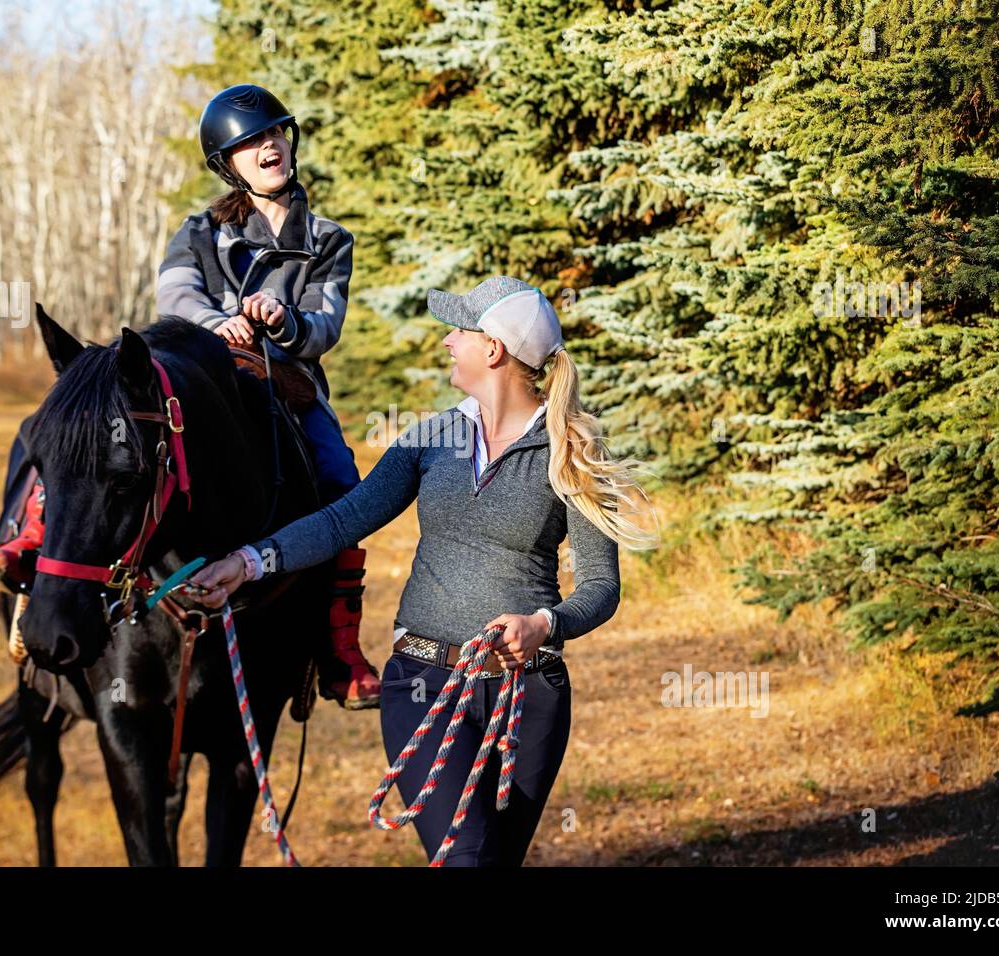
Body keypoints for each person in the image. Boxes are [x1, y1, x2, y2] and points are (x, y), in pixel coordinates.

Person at [187, 275, 660, 865]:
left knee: (491, 861)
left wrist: (544, 623)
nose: (447, 342)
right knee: (465, 857)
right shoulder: (431, 438)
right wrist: (249, 561)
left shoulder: (572, 450)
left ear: (493, 350)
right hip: (423, 682)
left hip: (529, 694)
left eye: (459, 330)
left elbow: (600, 587)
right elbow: (343, 520)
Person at [0, 83, 381, 709]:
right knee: (92, 431)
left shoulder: (328, 239)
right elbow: (176, 295)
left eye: (274, 133)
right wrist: (217, 324)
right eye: (249, 143)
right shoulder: (197, 231)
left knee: (340, 482)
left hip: (286, 383)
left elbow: (325, 322)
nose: (267, 146)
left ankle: (337, 647)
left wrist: (280, 318)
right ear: (229, 165)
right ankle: (32, 540)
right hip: (199, 374)